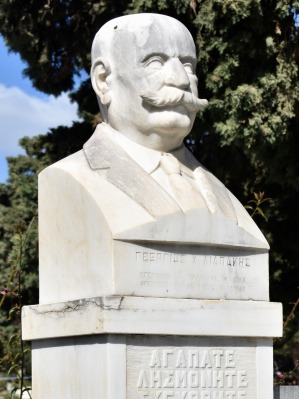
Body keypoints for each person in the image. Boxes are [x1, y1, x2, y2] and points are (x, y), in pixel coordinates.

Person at [38, 13, 267, 304]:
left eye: (188, 65)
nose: (182, 80)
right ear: (103, 81)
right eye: (155, 62)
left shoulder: (221, 195)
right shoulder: (71, 178)